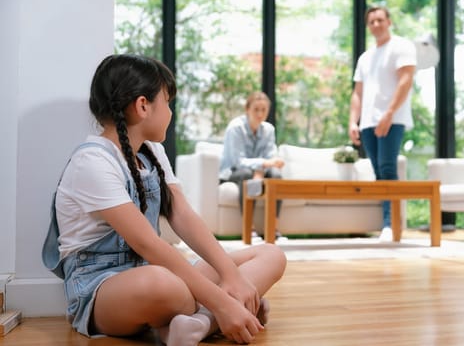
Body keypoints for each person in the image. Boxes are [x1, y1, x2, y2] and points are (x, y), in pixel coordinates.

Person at [42, 54, 287, 346]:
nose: (171, 112)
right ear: (143, 106)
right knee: (163, 284)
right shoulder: (92, 161)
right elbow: (148, 244)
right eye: (167, 102)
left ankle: (197, 324)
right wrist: (223, 300)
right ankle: (225, 312)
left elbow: (184, 216)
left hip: (153, 268)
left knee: (271, 255)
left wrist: (231, 277)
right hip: (100, 289)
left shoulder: (152, 153)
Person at [348, 6, 417, 242]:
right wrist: (352, 121)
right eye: (371, 22)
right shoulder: (365, 57)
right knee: (378, 173)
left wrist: (388, 114)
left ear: (389, 21)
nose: (376, 25)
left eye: (380, 20)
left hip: (392, 119)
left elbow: (406, 80)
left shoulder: (402, 47)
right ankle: (387, 224)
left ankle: (390, 225)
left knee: (388, 169)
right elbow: (358, 92)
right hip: (367, 122)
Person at [219, 92, 285, 240]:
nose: (260, 114)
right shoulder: (236, 128)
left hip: (258, 170)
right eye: (256, 109)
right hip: (233, 172)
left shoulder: (268, 129)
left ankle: (273, 229)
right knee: (246, 174)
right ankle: (249, 229)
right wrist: (262, 165)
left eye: (264, 110)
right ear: (247, 109)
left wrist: (263, 168)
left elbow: (271, 157)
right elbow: (238, 161)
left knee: (276, 175)